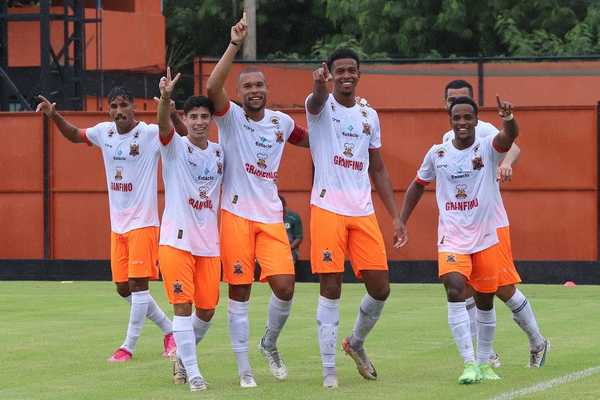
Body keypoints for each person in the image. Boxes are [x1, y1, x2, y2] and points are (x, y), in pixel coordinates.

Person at [206, 14, 309, 388]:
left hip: (269, 217)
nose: (254, 90)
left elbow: (312, 139)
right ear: (240, 91)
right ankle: (244, 368)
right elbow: (212, 85)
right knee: (240, 290)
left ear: (267, 89)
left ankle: (269, 342)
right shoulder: (230, 117)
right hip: (234, 215)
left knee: (285, 286)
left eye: (259, 85)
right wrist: (234, 44)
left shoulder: (281, 123)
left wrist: (339, 114)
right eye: (247, 85)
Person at [36, 88, 175, 362]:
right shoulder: (104, 132)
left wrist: (167, 106)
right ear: (108, 110)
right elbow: (76, 135)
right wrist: (54, 116)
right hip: (118, 226)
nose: (119, 110)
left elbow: (169, 131)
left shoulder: (147, 134)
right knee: (123, 288)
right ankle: (169, 330)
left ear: (134, 107)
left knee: (138, 285)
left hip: (143, 223)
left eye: (124, 105)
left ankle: (128, 346)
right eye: (114, 106)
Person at [398, 95, 519, 384]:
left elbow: (509, 137)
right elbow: (417, 185)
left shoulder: (487, 149)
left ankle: (484, 363)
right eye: (457, 118)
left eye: (468, 118)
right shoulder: (437, 153)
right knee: (454, 288)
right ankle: (468, 364)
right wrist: (401, 220)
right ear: (450, 121)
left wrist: (509, 120)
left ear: (477, 120)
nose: (462, 122)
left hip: (486, 238)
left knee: (485, 301)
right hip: (452, 237)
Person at [305, 48, 402, 389]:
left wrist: (396, 216)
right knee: (331, 287)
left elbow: (377, 167)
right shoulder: (319, 107)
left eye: (352, 70)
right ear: (330, 74)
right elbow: (316, 101)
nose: (346, 75)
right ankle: (329, 370)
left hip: (363, 211)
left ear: (359, 74)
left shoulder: (368, 116)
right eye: (339, 71)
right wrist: (318, 86)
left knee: (381, 288)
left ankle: (355, 342)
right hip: (328, 208)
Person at [443, 80, 548, 369]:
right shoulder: (445, 140)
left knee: (501, 288)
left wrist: (506, 163)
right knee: (463, 287)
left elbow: (513, 146)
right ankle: (486, 354)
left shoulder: (486, 129)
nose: (457, 104)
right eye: (452, 100)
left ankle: (538, 341)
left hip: (491, 225)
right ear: (445, 105)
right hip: (461, 229)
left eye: (463, 99)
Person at [156, 68, 224, 392]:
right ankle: (194, 373)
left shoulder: (219, 153)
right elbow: (164, 127)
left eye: (203, 116)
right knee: (182, 306)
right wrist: (166, 98)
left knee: (207, 309)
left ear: (210, 119)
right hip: (176, 240)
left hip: (209, 243)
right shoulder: (174, 148)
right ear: (185, 118)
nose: (198, 121)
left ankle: (183, 355)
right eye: (193, 116)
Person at [279, 195, 303, 266]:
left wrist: (289, 248)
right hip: (273, 249)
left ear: (284, 205)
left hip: (290, 249)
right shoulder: (268, 218)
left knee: (287, 264)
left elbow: (299, 237)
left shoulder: (293, 217)